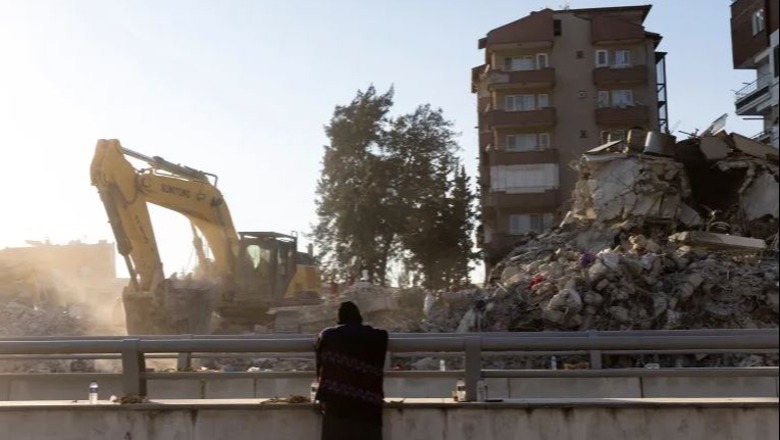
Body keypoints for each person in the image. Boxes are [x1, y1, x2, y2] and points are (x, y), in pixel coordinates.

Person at [314, 301, 388, 440]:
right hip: (367, 403)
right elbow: (383, 335)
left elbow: (321, 357)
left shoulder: (329, 336)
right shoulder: (375, 336)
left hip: (336, 402)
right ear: (359, 317)